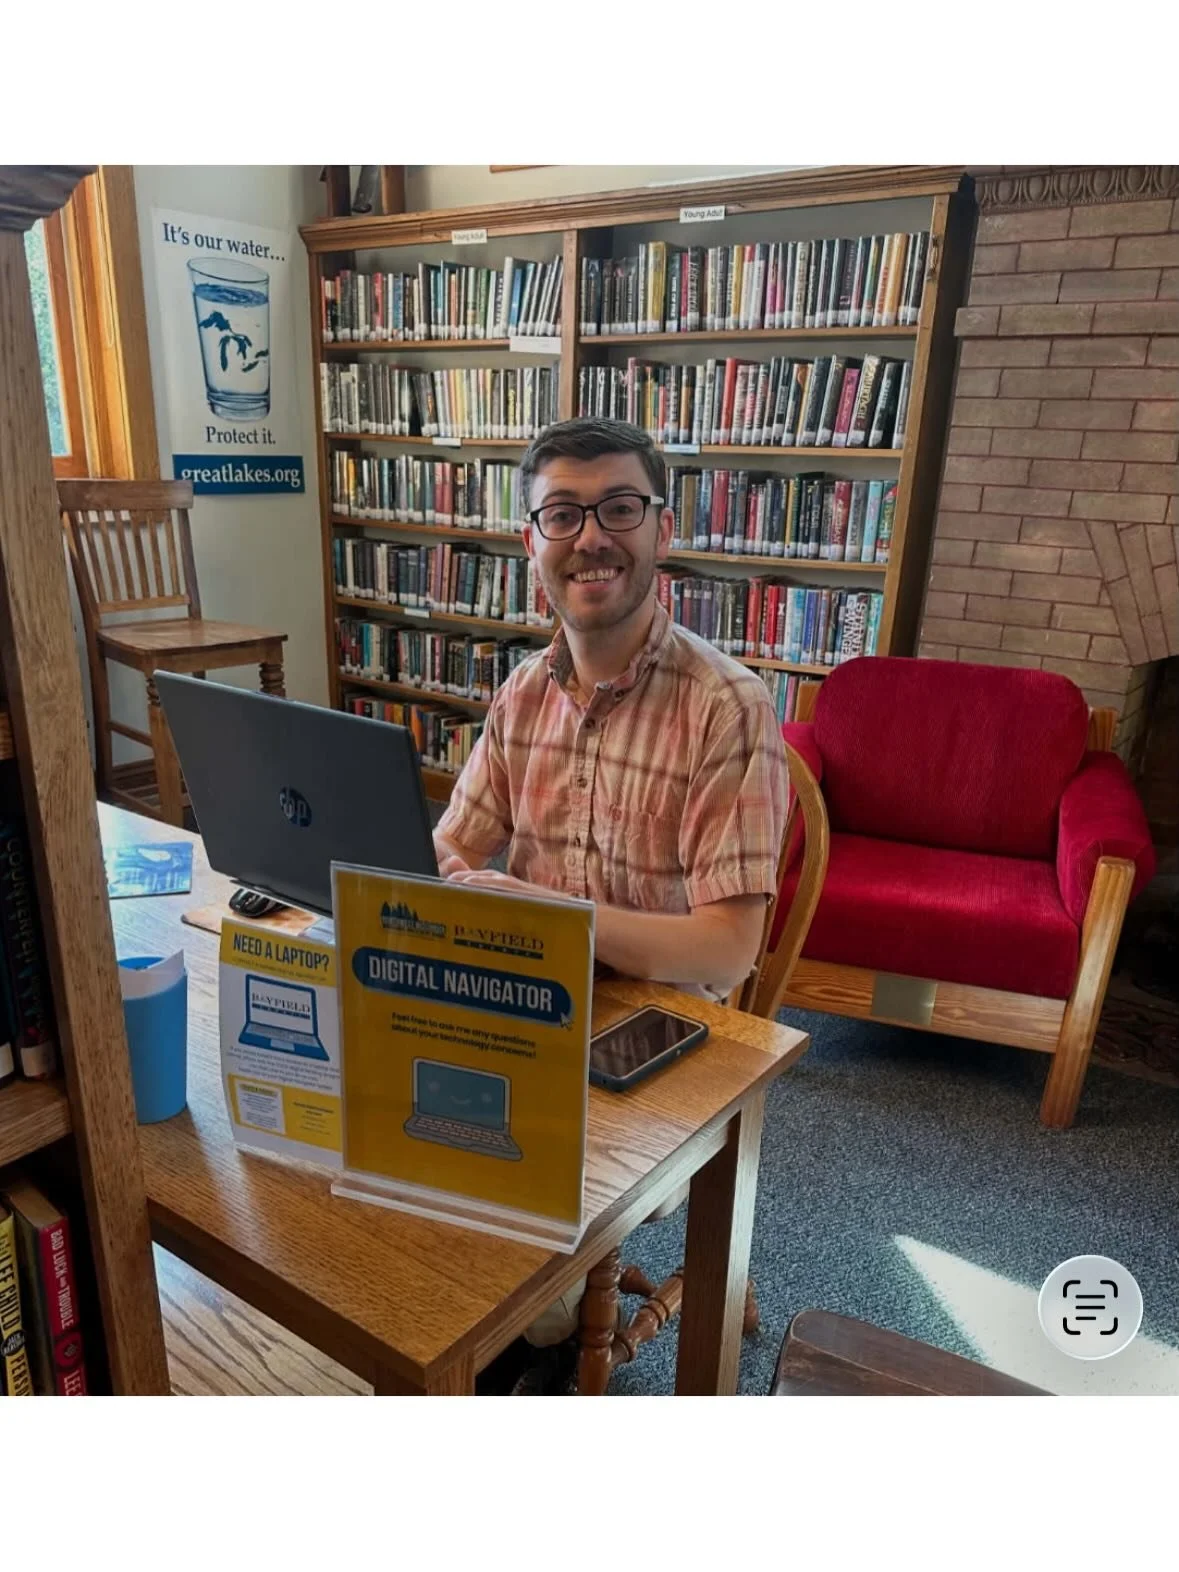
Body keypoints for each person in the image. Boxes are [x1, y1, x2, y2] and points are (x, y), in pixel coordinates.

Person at [433, 416, 790, 1392]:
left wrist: (547, 920)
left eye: (619, 508)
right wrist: (454, 893)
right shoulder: (518, 696)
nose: (591, 536)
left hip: (671, 1040)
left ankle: (515, 1337)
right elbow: (452, 851)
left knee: (510, 1261)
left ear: (661, 530)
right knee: (385, 1116)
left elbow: (726, 950)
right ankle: (481, 1324)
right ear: (530, 544)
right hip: (537, 1008)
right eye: (562, 514)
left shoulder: (729, 707)